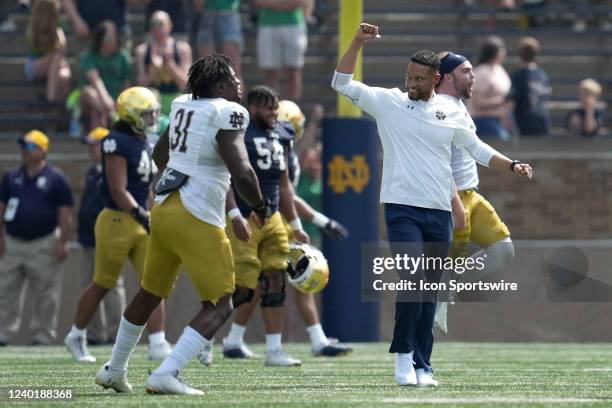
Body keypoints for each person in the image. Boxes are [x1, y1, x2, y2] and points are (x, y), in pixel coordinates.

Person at [331, 23, 533, 387]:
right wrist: (358, 42)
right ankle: (403, 360)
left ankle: (424, 365)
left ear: (435, 79)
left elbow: (478, 150)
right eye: (409, 75)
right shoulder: (388, 102)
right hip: (401, 209)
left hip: (439, 212)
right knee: (412, 283)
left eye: (419, 78)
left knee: (428, 291)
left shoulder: (451, 112)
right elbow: (341, 83)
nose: (412, 82)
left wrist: (513, 164)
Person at [94, 54, 268, 395]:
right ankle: (166, 372)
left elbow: (161, 155)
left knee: (149, 293)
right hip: (197, 215)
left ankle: (115, 369)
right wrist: (261, 204)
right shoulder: (227, 112)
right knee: (221, 303)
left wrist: (191, 165)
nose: (239, 84)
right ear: (219, 85)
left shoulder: (186, 107)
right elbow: (242, 171)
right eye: (233, 79)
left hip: (165, 207)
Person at [65, 87, 171, 363]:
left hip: (140, 218)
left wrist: (151, 211)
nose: (152, 119)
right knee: (102, 283)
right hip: (116, 220)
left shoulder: (144, 141)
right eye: (147, 114)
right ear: (131, 114)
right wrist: (141, 213)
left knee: (154, 282)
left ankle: (158, 341)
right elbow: (117, 188)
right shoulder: (115, 141)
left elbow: (145, 186)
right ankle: (76, 335)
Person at [220, 85, 307, 367]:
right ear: (253, 107)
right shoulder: (238, 133)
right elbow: (225, 179)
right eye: (269, 107)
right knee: (241, 285)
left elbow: (284, 185)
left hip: (272, 219)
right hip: (245, 217)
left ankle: (274, 350)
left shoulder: (281, 134)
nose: (274, 112)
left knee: (275, 281)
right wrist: (234, 214)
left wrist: (294, 223)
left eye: (276, 106)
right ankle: (202, 338)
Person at [433, 52, 516, 334]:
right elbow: (437, 158)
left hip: (472, 194)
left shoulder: (456, 104)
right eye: (467, 71)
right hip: (452, 196)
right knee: (447, 261)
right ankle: (438, 296)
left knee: (503, 249)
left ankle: (445, 289)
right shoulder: (441, 107)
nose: (474, 76)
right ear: (447, 77)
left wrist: (511, 165)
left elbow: (476, 148)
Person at [0, 130, 74, 346]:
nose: (25, 150)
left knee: (46, 293)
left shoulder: (56, 178)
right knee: (5, 290)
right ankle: (2, 333)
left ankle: (42, 335)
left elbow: (65, 213)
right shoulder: (12, 177)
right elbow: (2, 208)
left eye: (31, 146)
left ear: (43, 150)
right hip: (13, 241)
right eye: (23, 146)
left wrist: (62, 242)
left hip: (44, 242)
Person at [78, 127, 126, 345]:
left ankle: (116, 333)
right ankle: (96, 334)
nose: (91, 148)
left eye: (94, 144)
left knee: (112, 285)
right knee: (91, 285)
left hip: (109, 236)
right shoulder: (93, 171)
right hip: (90, 239)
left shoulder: (113, 170)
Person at [79, 20, 133, 132]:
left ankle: (98, 140)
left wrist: (117, 104)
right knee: (88, 92)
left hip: (115, 101)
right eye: (109, 39)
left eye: (114, 38)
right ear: (100, 41)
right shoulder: (89, 56)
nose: (113, 41)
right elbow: (95, 80)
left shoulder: (123, 57)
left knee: (97, 111)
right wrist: (106, 103)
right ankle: (109, 120)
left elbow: (127, 86)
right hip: (94, 99)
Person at [135, 11, 192, 116]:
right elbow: (141, 85)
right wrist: (153, 69)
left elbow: (186, 84)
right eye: (153, 24)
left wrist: (170, 64)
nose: (157, 29)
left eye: (160, 24)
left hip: (175, 100)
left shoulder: (183, 49)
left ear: (169, 26)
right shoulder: (142, 51)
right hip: (151, 102)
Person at [255, 0, 312, 99]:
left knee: (293, 73)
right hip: (267, 26)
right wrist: (287, 3)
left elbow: (301, 2)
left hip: (294, 26)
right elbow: (258, 2)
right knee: (270, 74)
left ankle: (291, 112)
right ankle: (270, 110)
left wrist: (271, 4)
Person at [24, 0, 71, 102]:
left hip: (56, 67)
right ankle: (51, 100)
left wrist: (58, 32)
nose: (58, 12)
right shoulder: (34, 27)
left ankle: (53, 106)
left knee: (64, 76)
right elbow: (37, 50)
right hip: (36, 65)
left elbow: (63, 49)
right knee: (56, 57)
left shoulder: (59, 25)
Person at [467, 36, 512, 139]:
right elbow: (476, 102)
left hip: (500, 120)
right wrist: (502, 101)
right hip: (483, 120)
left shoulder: (499, 70)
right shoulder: (481, 72)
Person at [508, 37, 552, 137]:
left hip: (525, 122)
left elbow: (511, 102)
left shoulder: (519, 75)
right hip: (543, 119)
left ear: (520, 55)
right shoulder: (542, 74)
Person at [195, 0, 243, 77]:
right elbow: (198, 6)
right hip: (207, 15)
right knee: (206, 70)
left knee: (233, 73)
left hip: (229, 14)